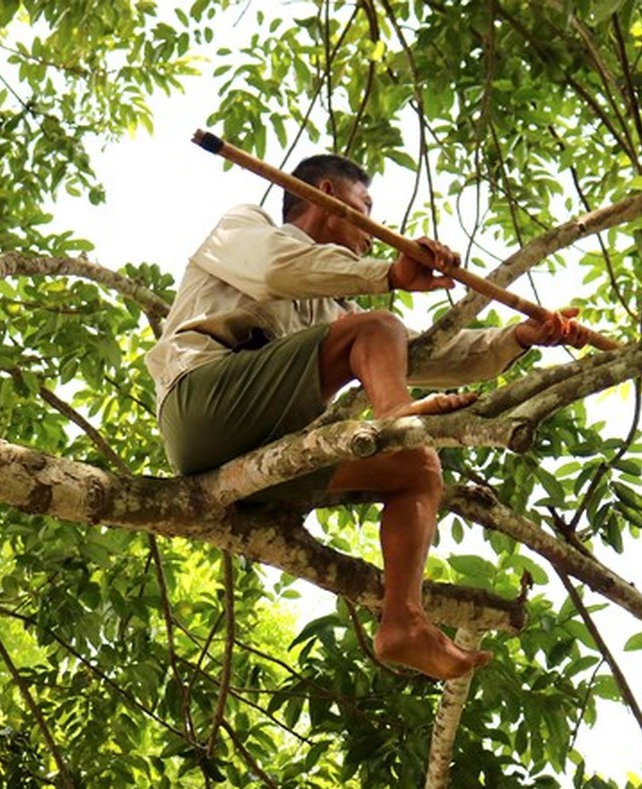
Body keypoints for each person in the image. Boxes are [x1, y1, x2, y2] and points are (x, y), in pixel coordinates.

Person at [145, 154, 587, 680]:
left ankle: (404, 621)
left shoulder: (334, 312)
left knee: (417, 469)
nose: (375, 231)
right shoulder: (247, 225)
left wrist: (517, 338)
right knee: (378, 330)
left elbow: (419, 354)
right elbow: (275, 268)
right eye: (366, 207)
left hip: (253, 462)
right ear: (327, 195)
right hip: (201, 403)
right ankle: (395, 417)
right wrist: (388, 277)